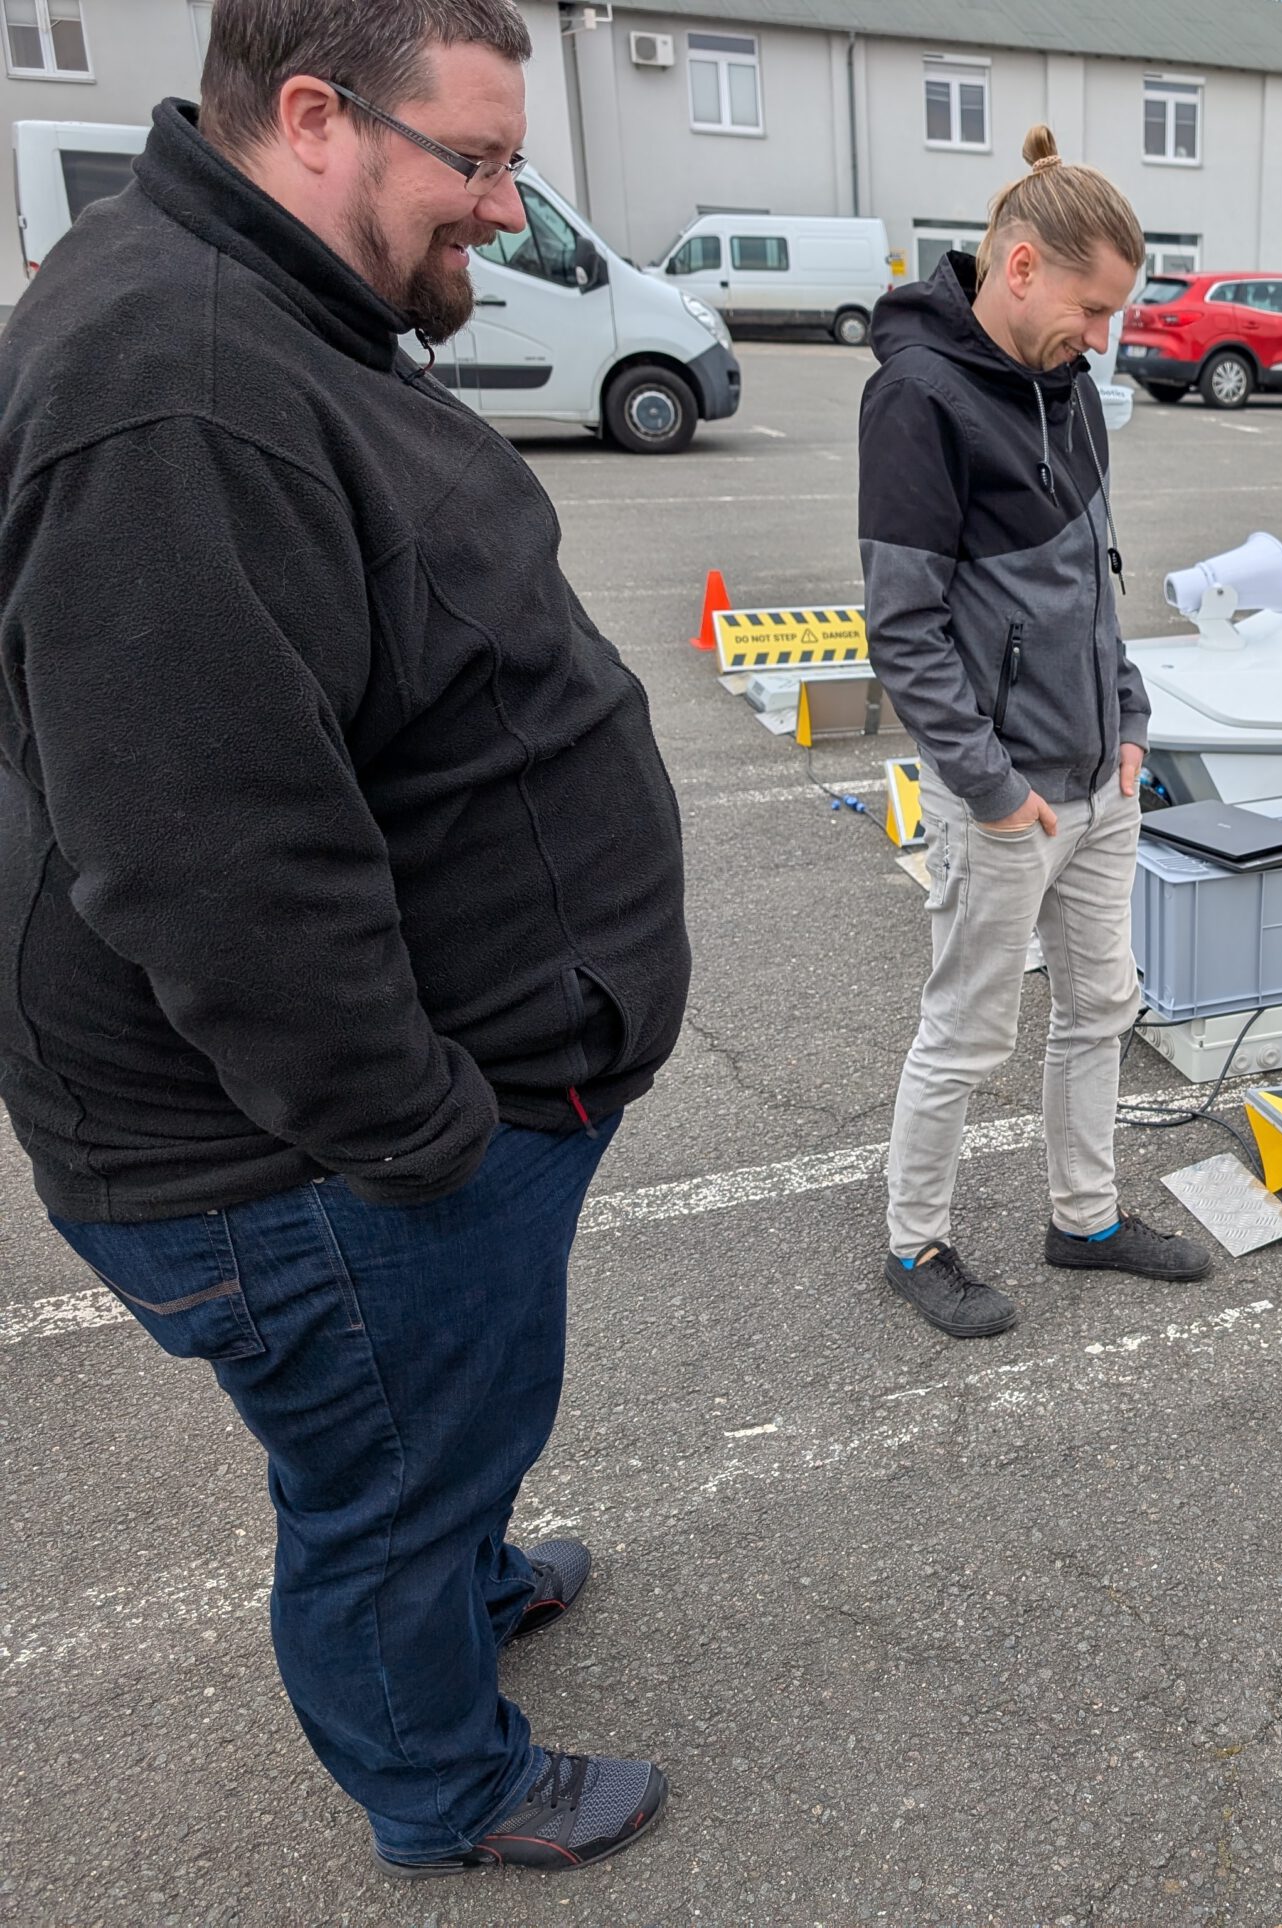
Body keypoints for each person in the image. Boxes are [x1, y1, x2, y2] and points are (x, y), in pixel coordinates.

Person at [0, 0, 694, 1876]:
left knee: (441, 1434)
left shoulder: (279, 311)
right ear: (314, 118)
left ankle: (461, 1567)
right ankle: (442, 1779)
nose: (501, 206)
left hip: (412, 1113)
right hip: (314, 1155)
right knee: (380, 1475)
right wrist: (423, 1136)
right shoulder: (178, 382)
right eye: (471, 162)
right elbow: (209, 853)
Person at [860, 127, 1211, 1341]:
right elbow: (902, 629)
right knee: (967, 1029)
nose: (1105, 336)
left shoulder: (1071, 389)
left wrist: (1127, 719)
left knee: (1100, 1005)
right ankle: (916, 1243)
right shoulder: (917, 398)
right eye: (1093, 306)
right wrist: (993, 787)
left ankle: (1086, 1218)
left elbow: (1091, 577)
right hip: (1008, 795)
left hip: (1097, 781)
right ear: (1018, 268)